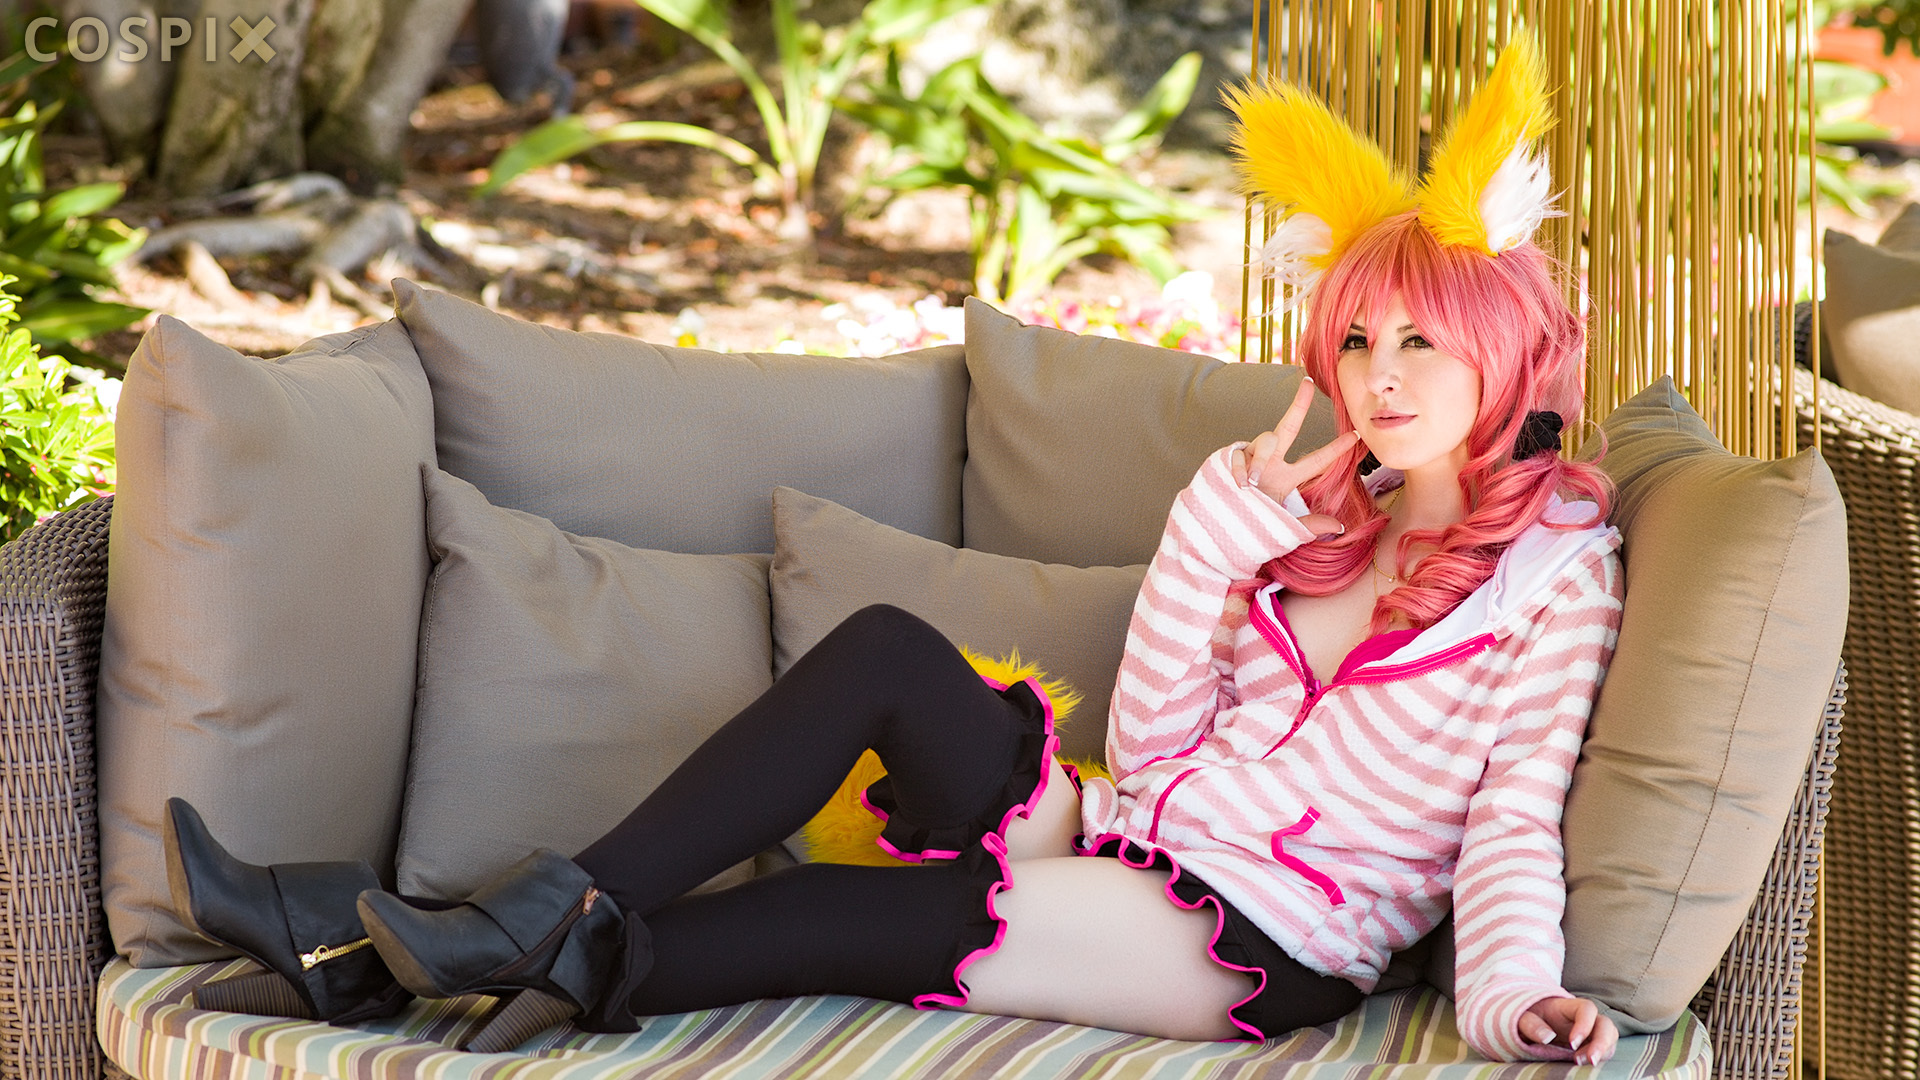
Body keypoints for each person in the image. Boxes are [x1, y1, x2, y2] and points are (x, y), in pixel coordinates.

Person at [161, 33, 1623, 1065]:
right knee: (883, 657)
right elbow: (1159, 743)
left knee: (814, 915)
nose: (1379, 375)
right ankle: (449, 940)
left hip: (1261, 938)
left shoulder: (1554, 577)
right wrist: (1215, 534)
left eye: (1423, 342)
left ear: (1502, 352)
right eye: (1359, 338)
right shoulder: (1307, 522)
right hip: (1136, 834)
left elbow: (1511, 825)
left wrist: (1515, 1003)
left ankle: (383, 942)